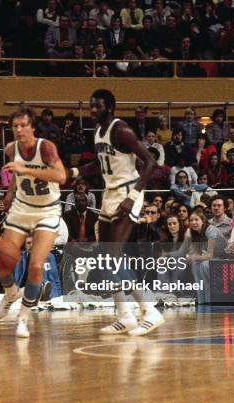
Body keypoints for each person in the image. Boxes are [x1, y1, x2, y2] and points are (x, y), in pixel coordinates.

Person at [68, 89, 164, 336]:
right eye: (90, 106)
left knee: (112, 255)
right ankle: (125, 316)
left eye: (97, 106)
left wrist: (133, 197)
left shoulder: (122, 130)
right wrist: (73, 173)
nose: (92, 110)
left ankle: (150, 310)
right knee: (104, 257)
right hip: (110, 192)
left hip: (128, 192)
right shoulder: (98, 133)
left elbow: (151, 163)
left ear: (110, 108)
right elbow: (99, 166)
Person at [0, 106, 66, 338]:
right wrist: (10, 192)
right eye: (15, 126)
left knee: (35, 266)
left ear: (32, 127)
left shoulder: (46, 147)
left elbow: (61, 176)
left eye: (23, 125)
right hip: (22, 208)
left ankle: (23, 318)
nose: (19, 130)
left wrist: (27, 168)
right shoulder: (12, 148)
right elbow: (16, 174)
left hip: (47, 210)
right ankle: (11, 293)